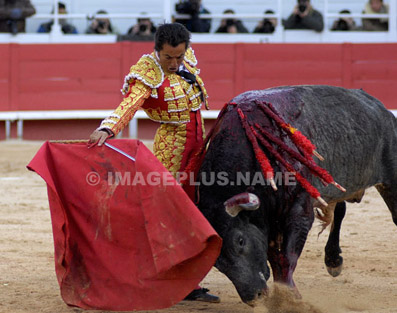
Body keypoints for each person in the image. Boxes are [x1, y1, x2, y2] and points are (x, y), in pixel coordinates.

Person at [88, 23, 219, 303]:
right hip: (172, 146)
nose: (173, 63)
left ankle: (189, 278)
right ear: (156, 50)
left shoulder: (186, 59)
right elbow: (130, 104)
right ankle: (172, 279)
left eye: (179, 58)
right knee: (170, 211)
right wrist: (108, 128)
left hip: (199, 144)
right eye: (168, 57)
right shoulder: (147, 71)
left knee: (197, 208)